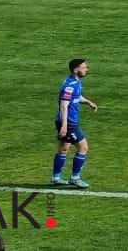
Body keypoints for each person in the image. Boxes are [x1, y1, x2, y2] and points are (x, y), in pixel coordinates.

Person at [50, 58, 98, 188]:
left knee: (63, 149)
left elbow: (75, 97)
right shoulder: (70, 86)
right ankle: (75, 178)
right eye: (84, 67)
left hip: (66, 122)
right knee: (83, 147)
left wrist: (88, 102)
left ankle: (56, 178)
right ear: (76, 70)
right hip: (69, 123)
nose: (86, 69)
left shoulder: (74, 82)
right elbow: (63, 105)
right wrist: (65, 126)